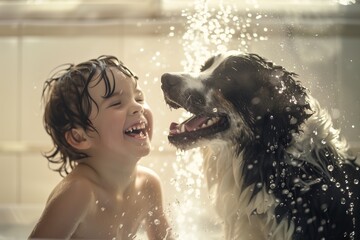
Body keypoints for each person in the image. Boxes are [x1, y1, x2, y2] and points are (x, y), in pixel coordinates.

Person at [29, 55, 173, 239]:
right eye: (116, 103)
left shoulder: (148, 185)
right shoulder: (79, 193)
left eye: (139, 97)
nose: (137, 107)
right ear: (78, 137)